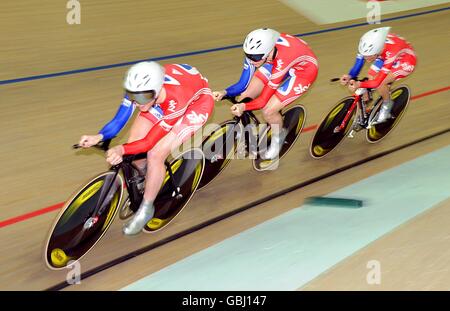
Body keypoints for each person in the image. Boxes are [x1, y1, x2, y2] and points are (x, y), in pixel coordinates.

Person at [78, 61, 214, 235]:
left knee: (155, 154)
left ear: (155, 92)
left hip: (195, 105)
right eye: (134, 96)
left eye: (143, 97)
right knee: (134, 143)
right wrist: (99, 136)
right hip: (161, 101)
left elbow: (150, 141)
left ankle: (147, 207)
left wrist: (121, 150)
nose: (138, 102)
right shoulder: (139, 90)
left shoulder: (174, 98)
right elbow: (119, 120)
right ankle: (145, 180)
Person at [213, 28, 318, 160]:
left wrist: (244, 107)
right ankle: (247, 130)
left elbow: (263, 100)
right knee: (245, 96)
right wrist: (224, 92)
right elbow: (242, 84)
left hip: (303, 71)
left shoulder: (280, 58)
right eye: (248, 55)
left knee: (268, 110)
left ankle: (278, 138)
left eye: (255, 58)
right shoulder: (256, 53)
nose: (251, 61)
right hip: (274, 61)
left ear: (269, 51)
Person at [340, 26, 416, 125]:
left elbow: (377, 82)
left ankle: (387, 105)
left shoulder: (390, 52)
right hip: (384, 55)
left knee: (381, 84)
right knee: (370, 75)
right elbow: (358, 63)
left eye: (369, 56)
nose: (366, 58)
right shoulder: (366, 45)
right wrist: (350, 76)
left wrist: (359, 84)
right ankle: (368, 97)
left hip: (405, 61)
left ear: (377, 50)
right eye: (364, 55)